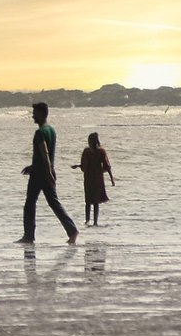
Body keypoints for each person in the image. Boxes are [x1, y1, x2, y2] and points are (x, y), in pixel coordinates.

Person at [17, 102, 78, 244]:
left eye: (34, 113)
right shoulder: (51, 130)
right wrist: (34, 167)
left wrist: (48, 172)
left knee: (30, 203)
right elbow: (46, 155)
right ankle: (72, 231)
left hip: (40, 174)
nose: (32, 116)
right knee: (54, 203)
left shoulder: (40, 133)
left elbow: (44, 152)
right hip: (45, 170)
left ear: (41, 114)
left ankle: (29, 236)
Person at [72, 132, 115, 226]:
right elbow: (107, 167)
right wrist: (111, 178)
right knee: (95, 201)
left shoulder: (87, 151)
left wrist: (79, 166)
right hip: (97, 179)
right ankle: (94, 221)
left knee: (89, 201)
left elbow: (84, 167)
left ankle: (88, 220)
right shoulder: (101, 151)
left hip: (89, 179)